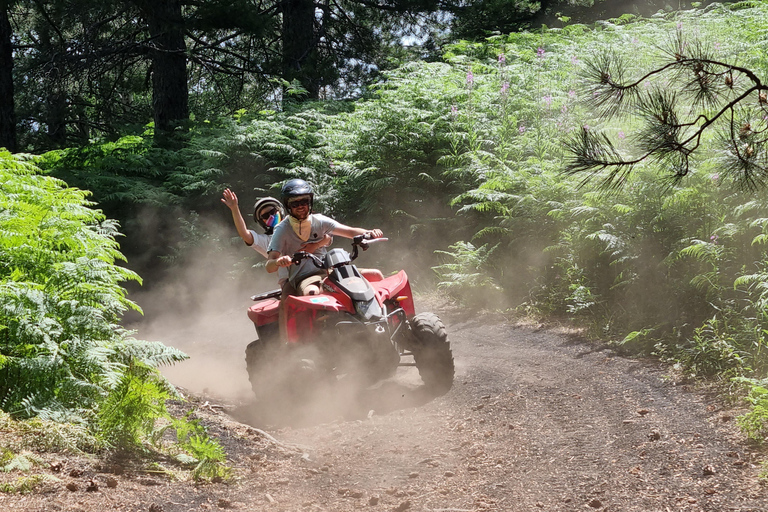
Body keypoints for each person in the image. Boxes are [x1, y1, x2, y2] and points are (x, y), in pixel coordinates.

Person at [266, 179, 383, 339]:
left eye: (305, 201)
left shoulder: (320, 221)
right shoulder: (282, 229)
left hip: (331, 270)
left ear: (311, 201)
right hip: (303, 276)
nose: (301, 206)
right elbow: (269, 265)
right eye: (295, 203)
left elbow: (349, 231)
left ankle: (382, 321)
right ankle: (313, 341)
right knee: (312, 292)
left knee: (375, 275)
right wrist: (279, 261)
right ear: (287, 206)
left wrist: (369, 232)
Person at [221, 188, 330, 261]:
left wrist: (316, 245)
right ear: (261, 221)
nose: (271, 217)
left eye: (273, 212)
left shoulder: (300, 225)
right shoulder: (267, 241)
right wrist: (234, 208)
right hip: (293, 281)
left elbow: (328, 238)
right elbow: (244, 234)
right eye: (265, 216)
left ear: (281, 211)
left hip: (321, 268)